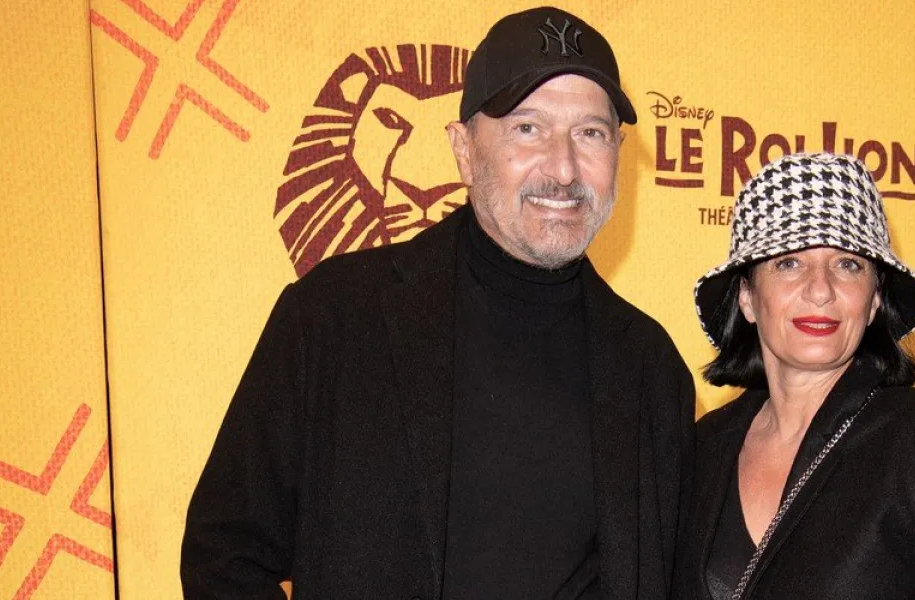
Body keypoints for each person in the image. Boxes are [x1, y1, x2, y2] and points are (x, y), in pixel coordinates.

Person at [181, 7, 694, 599]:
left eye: (590, 132)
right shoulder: (334, 317)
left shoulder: (653, 371)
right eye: (527, 128)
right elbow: (224, 554)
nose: (563, 167)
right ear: (464, 150)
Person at [674, 153, 915, 599]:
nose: (821, 289)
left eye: (848, 264)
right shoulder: (702, 449)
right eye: (789, 262)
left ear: (875, 299)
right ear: (747, 297)